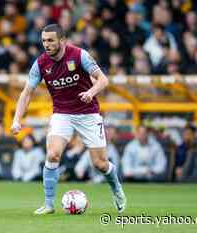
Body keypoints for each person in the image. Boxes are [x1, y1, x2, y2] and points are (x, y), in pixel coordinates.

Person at [11, 24, 126, 215]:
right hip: (62, 114)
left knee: (100, 164)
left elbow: (103, 80)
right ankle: (48, 204)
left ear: (62, 41)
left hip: (88, 113)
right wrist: (17, 120)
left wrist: (91, 92)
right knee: (53, 154)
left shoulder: (79, 55)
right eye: (44, 41)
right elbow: (26, 94)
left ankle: (117, 190)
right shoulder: (40, 63)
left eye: (50, 40)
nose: (46, 44)